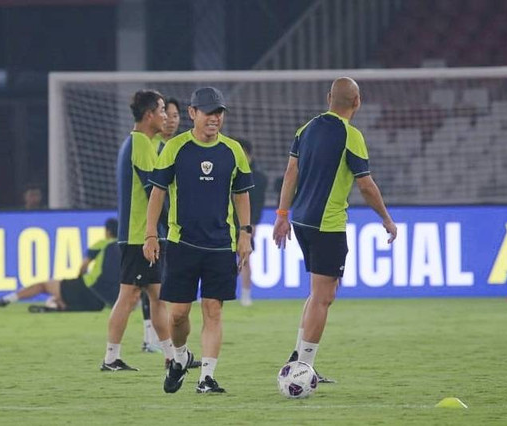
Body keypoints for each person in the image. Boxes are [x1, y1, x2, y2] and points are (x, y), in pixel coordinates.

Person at [273, 77, 398, 383]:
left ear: (329, 97)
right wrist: (386, 218)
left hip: (301, 221)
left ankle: (298, 355)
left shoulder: (305, 129)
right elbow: (366, 186)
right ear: (357, 102)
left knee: (319, 293)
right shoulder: (350, 136)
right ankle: (304, 367)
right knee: (323, 298)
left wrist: (282, 215)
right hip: (327, 225)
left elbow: (291, 173)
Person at [144, 86, 253, 394]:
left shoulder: (233, 151)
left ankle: (207, 377)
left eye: (219, 112)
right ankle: (180, 359)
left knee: (213, 310)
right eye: (208, 112)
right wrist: (151, 233)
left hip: (220, 244)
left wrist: (245, 233)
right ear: (193, 113)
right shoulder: (175, 148)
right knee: (178, 315)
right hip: (182, 243)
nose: (214, 118)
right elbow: (158, 192)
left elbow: (242, 194)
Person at [101, 90, 175, 372]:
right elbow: (153, 190)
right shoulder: (141, 144)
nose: (166, 116)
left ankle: (172, 356)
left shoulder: (144, 142)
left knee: (157, 295)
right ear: (149, 116)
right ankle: (111, 357)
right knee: (130, 295)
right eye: (162, 110)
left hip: (141, 233)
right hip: (139, 235)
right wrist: (165, 227)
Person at [0, 218, 121, 312]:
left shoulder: (104, 243)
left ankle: (7, 299)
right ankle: (59, 305)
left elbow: (84, 266)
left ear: (107, 231)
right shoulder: (124, 247)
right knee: (64, 298)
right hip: (102, 302)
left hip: (88, 288)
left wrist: (79, 279)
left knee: (44, 286)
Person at [141, 97, 182, 353]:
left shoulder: (180, 147)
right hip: (159, 225)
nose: (171, 119)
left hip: (175, 226)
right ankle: (150, 337)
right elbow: (153, 191)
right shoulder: (154, 147)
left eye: (175, 115)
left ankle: (160, 339)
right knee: (151, 283)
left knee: (160, 283)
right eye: (166, 114)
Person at [236, 138, 268, 307]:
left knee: (245, 258)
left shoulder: (258, 177)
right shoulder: (229, 171)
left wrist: (252, 223)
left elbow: (258, 202)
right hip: (226, 221)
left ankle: (246, 294)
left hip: (246, 222)